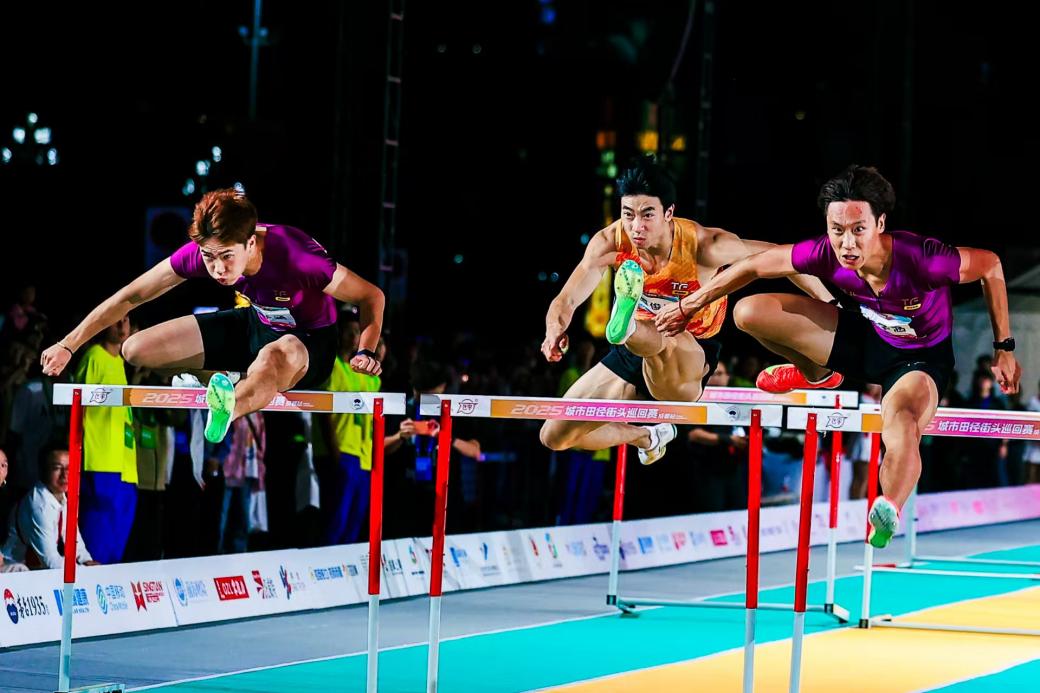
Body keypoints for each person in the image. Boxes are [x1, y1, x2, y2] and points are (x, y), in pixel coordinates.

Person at [656, 164, 1021, 548]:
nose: (847, 244)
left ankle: (888, 508)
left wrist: (1004, 348)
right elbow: (754, 266)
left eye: (858, 230)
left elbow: (991, 265)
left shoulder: (923, 258)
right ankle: (815, 373)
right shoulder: (826, 252)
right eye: (837, 230)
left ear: (880, 223)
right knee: (748, 312)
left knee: (901, 421)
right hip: (863, 336)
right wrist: (689, 305)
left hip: (919, 359)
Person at [540, 155, 832, 464]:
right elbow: (566, 298)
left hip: (690, 355)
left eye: (647, 215)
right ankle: (648, 436)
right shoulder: (610, 241)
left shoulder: (705, 246)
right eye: (628, 215)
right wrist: (553, 330)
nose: (636, 227)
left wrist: (829, 304)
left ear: (669, 212)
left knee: (661, 335)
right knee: (555, 435)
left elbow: (784, 257)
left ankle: (627, 327)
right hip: (634, 353)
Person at [39, 188, 384, 443]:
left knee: (276, 353)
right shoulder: (203, 251)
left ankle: (228, 409)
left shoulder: (297, 256)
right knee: (136, 349)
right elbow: (131, 295)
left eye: (226, 257)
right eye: (208, 257)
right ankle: (223, 382)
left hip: (309, 343)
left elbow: (370, 295)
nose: (217, 269)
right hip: (255, 323)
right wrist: (69, 344)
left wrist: (366, 349)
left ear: (251, 243)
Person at [3, 448, 98, 570]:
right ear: (44, 471)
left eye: (69, 468)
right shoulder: (39, 507)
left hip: (35, 567)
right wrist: (85, 570)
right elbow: (51, 562)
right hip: (13, 569)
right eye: (57, 468)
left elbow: (73, 538)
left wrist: (87, 561)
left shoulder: (60, 496)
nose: (65, 475)